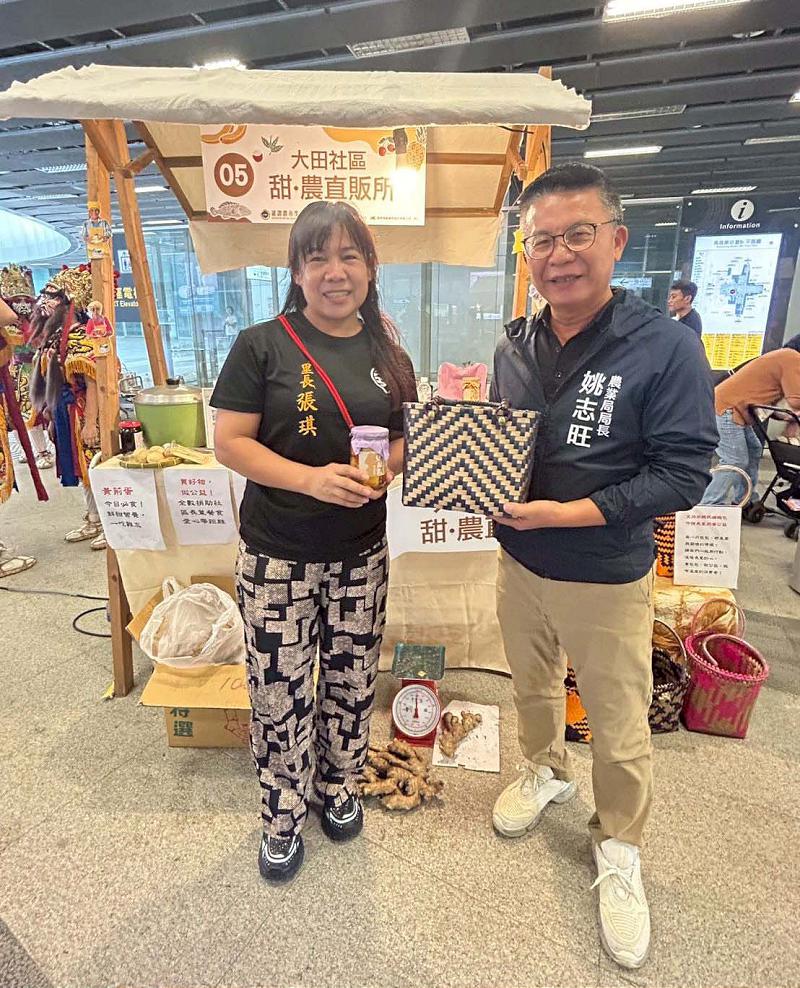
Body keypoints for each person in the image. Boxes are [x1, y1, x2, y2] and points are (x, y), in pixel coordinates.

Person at [489, 162, 717, 970]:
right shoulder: (514, 342)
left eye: (577, 234)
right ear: (527, 254)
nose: (559, 255)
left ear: (616, 241)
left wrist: (571, 512)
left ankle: (619, 848)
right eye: (542, 240)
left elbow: (682, 474)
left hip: (606, 569)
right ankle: (545, 770)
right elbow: (504, 442)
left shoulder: (665, 347)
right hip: (520, 560)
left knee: (619, 725)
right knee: (531, 686)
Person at [212, 201, 417, 884]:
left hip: (361, 555)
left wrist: (381, 470)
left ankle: (339, 785)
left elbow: (402, 440)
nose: (336, 272)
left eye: (349, 256)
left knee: (353, 681)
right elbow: (230, 442)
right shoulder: (261, 345)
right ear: (296, 272)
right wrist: (310, 479)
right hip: (277, 557)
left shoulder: (389, 353)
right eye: (318, 257)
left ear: (371, 267)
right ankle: (281, 812)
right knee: (279, 691)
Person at [28, 265, 107, 550]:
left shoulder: (82, 337)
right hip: (64, 411)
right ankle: (94, 518)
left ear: (69, 303)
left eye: (53, 297)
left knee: (92, 465)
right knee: (78, 466)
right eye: (45, 296)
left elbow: (94, 382)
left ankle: (108, 523)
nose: (45, 303)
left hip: (82, 410)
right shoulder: (52, 337)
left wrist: (91, 423)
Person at [701, 346, 800, 505]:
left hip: (736, 409)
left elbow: (764, 396)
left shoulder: (786, 357)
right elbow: (796, 400)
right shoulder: (793, 360)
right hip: (728, 408)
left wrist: (785, 417)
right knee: (735, 460)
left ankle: (745, 501)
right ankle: (709, 505)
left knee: (754, 450)